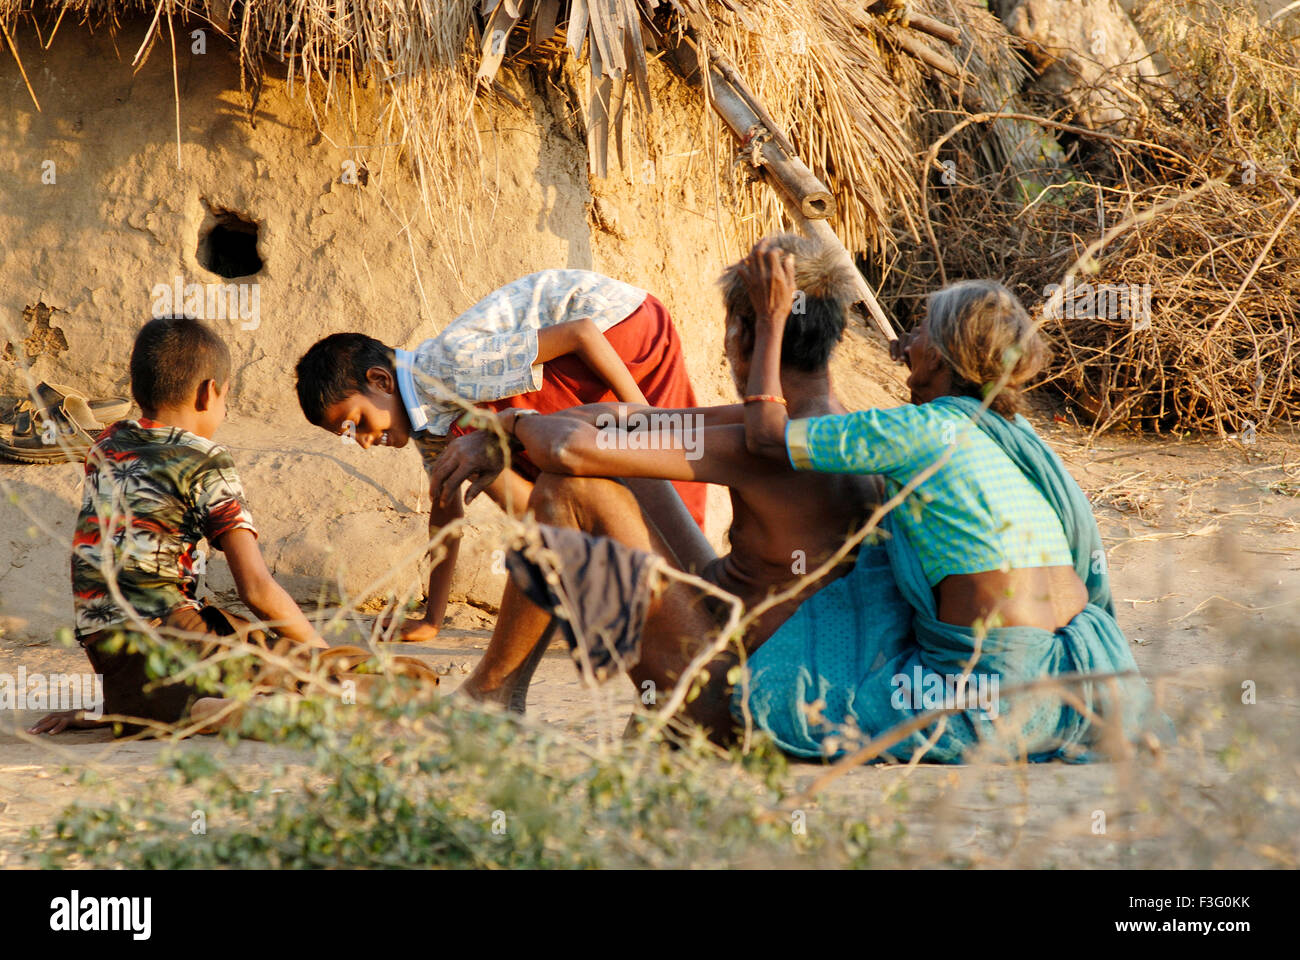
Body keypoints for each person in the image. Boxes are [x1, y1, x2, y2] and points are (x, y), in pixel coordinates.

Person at [429, 236, 892, 739]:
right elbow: (631, 420)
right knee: (616, 464)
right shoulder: (820, 421)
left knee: (567, 490)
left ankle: (492, 692)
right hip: (739, 638)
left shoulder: (773, 442)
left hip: (733, 698)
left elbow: (566, 451)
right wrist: (519, 430)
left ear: (740, 335)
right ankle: (501, 693)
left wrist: (512, 423)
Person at [739, 242, 1158, 761]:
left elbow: (764, 437)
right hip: (1087, 676)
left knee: (782, 699)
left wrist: (770, 317)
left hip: (1001, 690)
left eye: (917, 330)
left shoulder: (922, 431)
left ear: (938, 354)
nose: (905, 341)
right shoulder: (1010, 429)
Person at [294, 270, 707, 642]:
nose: (362, 442)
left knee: (662, 472)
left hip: (624, 326)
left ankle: (693, 611)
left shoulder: (448, 366)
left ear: (381, 381)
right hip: (593, 358)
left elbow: (581, 332)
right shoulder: (431, 424)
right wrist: (431, 619)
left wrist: (649, 420)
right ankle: (609, 561)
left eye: (356, 423)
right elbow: (445, 514)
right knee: (482, 457)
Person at [30, 317, 325, 737]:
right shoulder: (205, 459)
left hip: (113, 660)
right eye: (227, 398)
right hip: (173, 633)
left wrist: (112, 703)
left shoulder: (105, 446)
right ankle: (249, 707)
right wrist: (322, 655)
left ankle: (168, 708)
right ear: (209, 393)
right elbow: (256, 589)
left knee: (211, 658)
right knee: (306, 667)